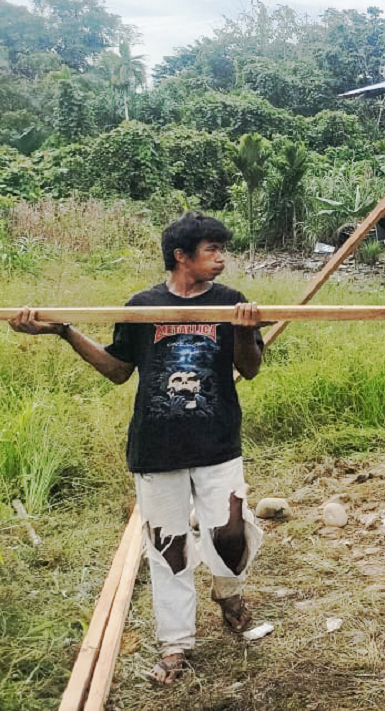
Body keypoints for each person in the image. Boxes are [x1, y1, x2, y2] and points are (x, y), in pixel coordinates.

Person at [9, 213, 264, 685]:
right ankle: (176, 644)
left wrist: (244, 330)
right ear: (181, 256)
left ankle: (228, 591)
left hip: (217, 442)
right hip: (156, 446)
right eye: (213, 250)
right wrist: (64, 331)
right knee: (167, 547)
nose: (223, 258)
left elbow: (249, 369)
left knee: (229, 537)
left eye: (223, 249)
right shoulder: (142, 306)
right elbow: (117, 370)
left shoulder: (232, 303)